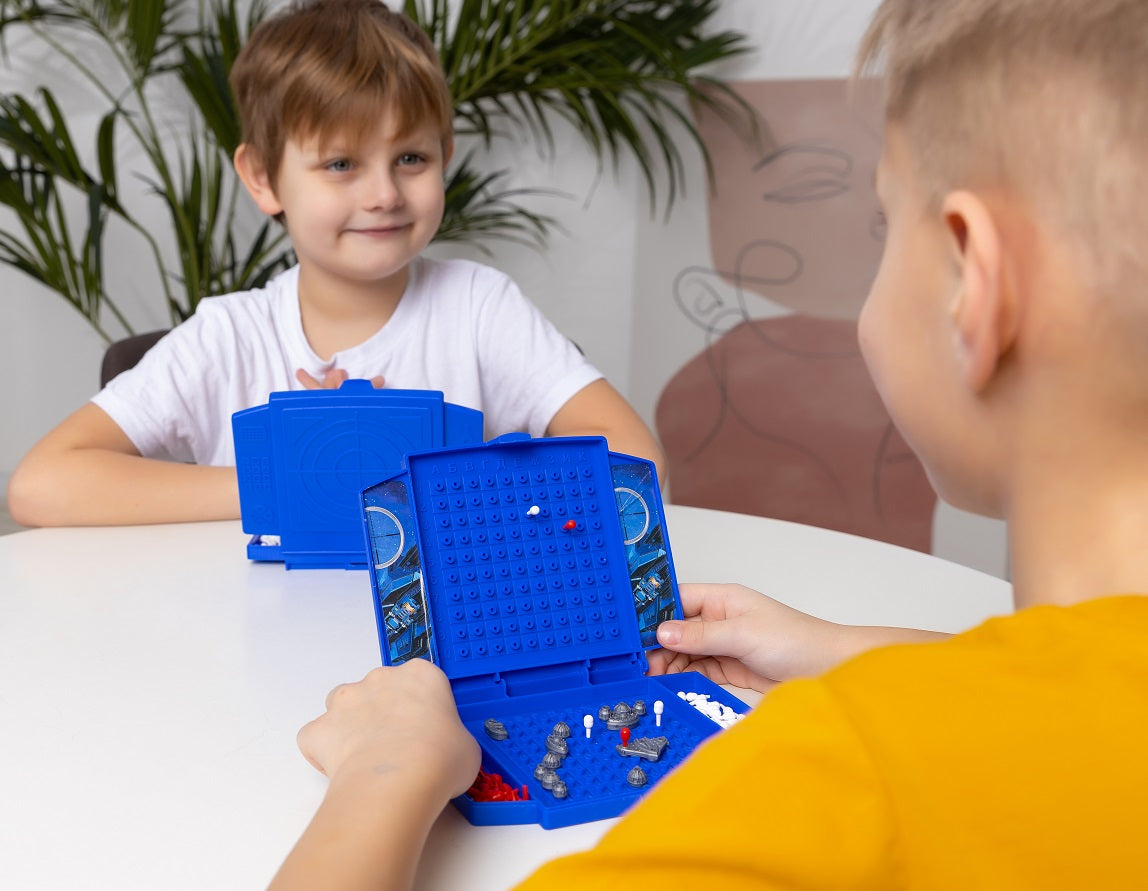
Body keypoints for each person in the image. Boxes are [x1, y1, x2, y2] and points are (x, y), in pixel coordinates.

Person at [273, 0, 1148, 887]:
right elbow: (1051, 680)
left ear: (975, 289)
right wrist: (829, 645)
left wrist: (385, 769)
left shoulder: (840, 779)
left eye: (886, 227)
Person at [6, 0, 663, 528]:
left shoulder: (479, 308)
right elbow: (41, 484)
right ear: (263, 178)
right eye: (341, 163)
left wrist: (408, 473)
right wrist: (295, 479)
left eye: (411, 158)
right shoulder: (228, 337)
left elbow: (638, 466)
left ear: (445, 155)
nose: (384, 194)